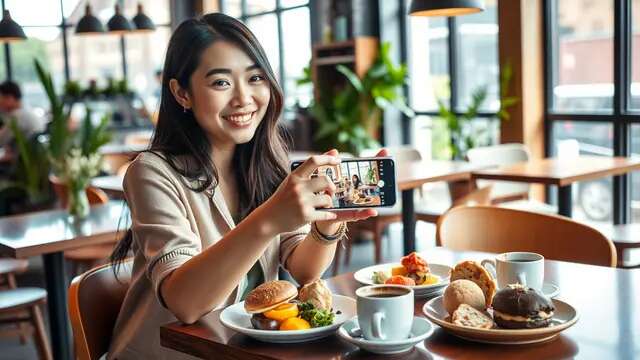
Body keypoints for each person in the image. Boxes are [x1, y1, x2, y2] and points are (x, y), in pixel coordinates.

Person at [107, 13, 386, 359]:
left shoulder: (266, 163)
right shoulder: (151, 172)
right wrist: (269, 219)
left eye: (255, 78)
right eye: (221, 83)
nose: (244, 98)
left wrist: (326, 227)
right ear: (182, 93)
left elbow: (304, 270)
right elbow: (186, 304)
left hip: (241, 350)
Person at [0, 81, 46, 147]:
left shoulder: (18, 116)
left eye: (1, 97)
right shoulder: (25, 111)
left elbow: (1, 140)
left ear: (10, 97)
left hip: (28, 155)